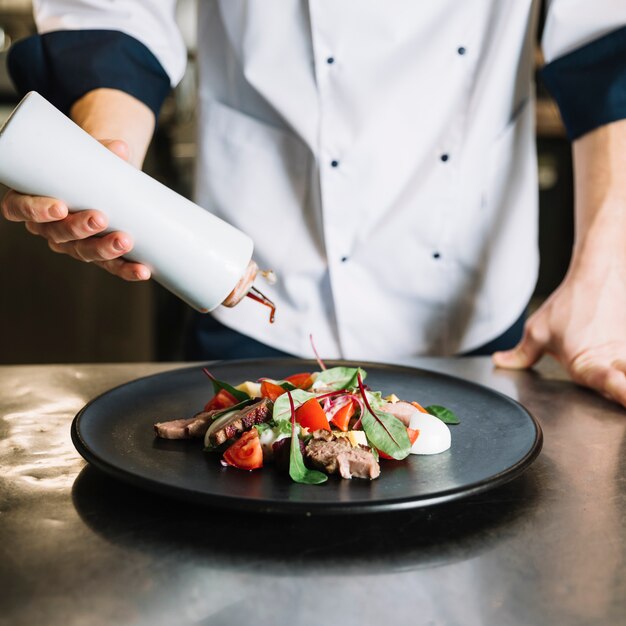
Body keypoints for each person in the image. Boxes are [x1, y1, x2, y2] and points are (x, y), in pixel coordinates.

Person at [2, 1, 626, 407]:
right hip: (259, 278)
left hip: (467, 283)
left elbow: (606, 37)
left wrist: (603, 278)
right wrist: (104, 169)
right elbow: (118, 14)